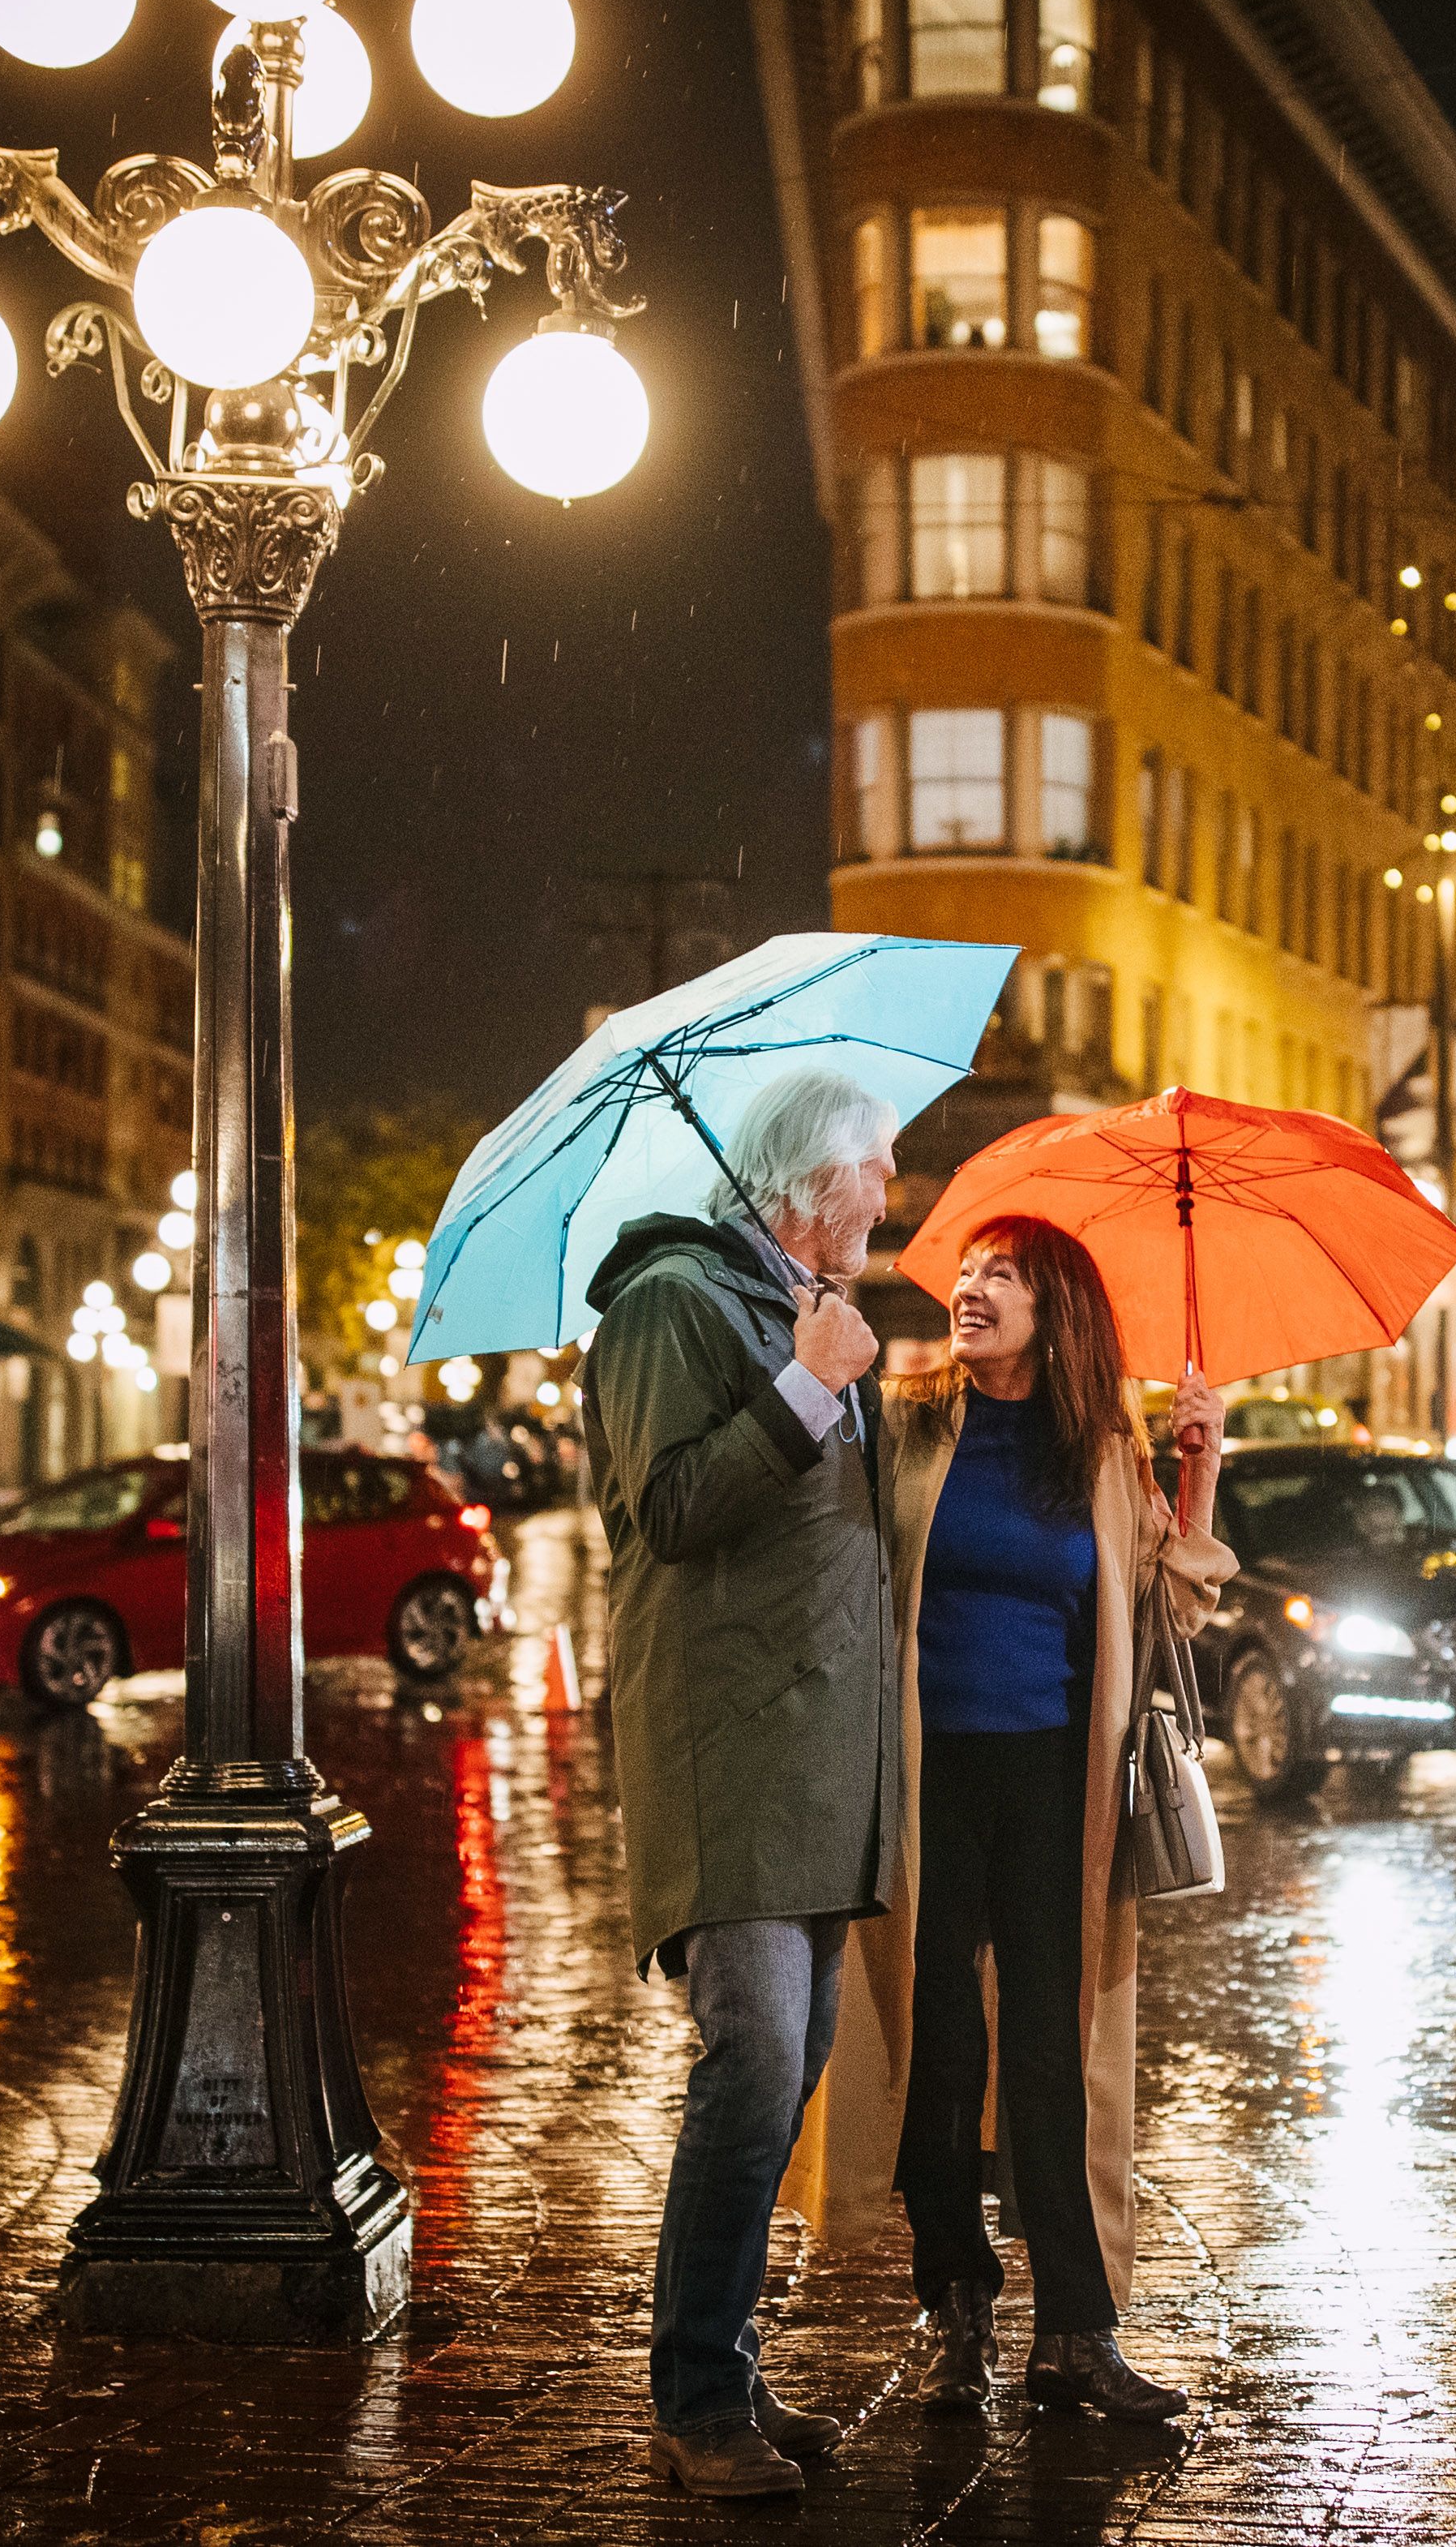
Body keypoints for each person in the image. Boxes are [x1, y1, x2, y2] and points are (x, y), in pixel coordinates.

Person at [787, 1219, 1232, 2425]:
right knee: (940, 2051)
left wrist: (1196, 1467)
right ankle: (957, 2311)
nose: (971, 1289)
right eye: (967, 1271)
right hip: (926, 1782)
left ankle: (1076, 2334)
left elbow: (1166, 1610)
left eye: (1001, 1276)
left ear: (1056, 1310)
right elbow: (824, 1555)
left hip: (1055, 1780)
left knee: (1052, 2048)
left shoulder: (1101, 1447)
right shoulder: (907, 1419)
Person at [585, 1067, 905, 2501]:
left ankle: (726, 2368)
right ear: (804, 1183)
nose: (887, 1198)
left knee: (791, 2082)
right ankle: (694, 2398)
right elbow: (671, 1507)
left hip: (817, 1757)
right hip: (728, 1753)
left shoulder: (795, 1311)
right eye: (873, 1172)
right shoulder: (670, 1305)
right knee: (754, 2066)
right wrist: (808, 1383)